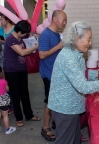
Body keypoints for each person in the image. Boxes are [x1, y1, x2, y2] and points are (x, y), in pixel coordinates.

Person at [48, 21, 99, 144]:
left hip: (70, 107)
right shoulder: (69, 57)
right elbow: (83, 86)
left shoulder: (74, 52)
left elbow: (80, 75)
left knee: (74, 139)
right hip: (64, 108)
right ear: (77, 38)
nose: (90, 43)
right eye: (88, 39)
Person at [3, 20, 40, 127]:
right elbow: (22, 52)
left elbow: (32, 35)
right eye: (23, 33)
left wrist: (35, 36)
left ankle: (29, 115)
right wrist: (36, 47)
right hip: (11, 71)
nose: (25, 35)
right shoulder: (10, 39)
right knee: (15, 94)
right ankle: (19, 118)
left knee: (25, 93)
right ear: (18, 32)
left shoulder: (22, 36)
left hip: (22, 69)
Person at [39, 10, 67, 141]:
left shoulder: (56, 33)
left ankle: (55, 121)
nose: (65, 23)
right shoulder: (45, 34)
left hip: (56, 73)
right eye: (63, 20)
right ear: (55, 19)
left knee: (56, 100)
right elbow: (42, 54)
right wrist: (59, 46)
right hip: (48, 74)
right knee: (50, 102)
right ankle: (45, 127)